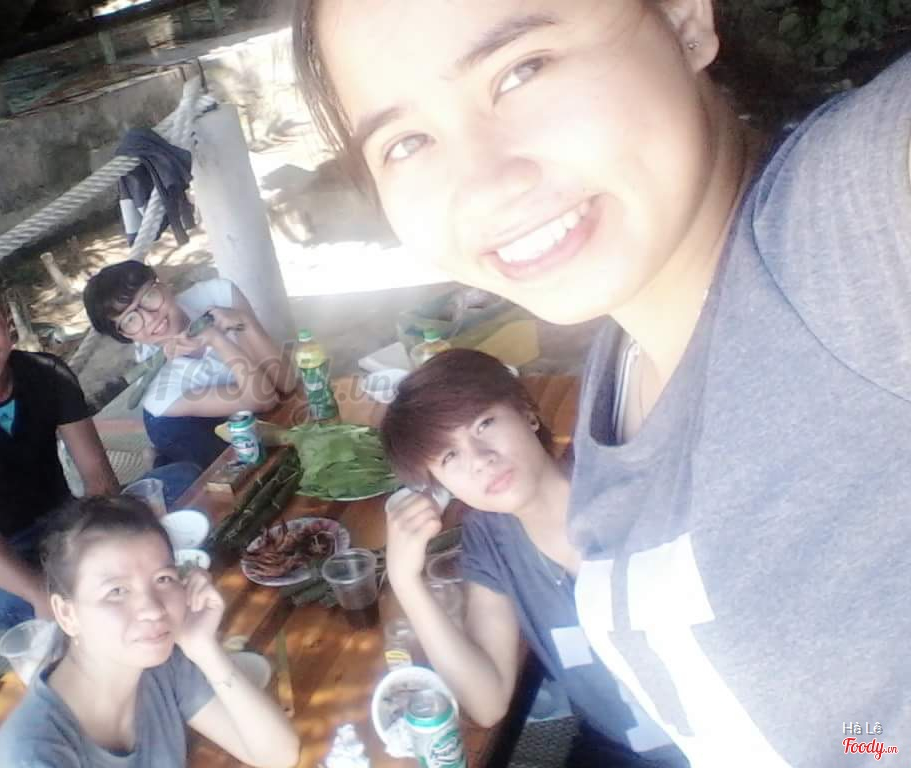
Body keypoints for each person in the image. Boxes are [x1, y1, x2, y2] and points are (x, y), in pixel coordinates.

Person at [293, 2, 910, 765]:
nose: (483, 187)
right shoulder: (619, 368)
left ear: (683, 18)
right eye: (406, 141)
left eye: (522, 69)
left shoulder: (845, 229)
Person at [382, 350, 686, 767]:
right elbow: (487, 701)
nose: (480, 460)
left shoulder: (620, 481)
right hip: (621, 750)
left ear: (526, 412)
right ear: (439, 486)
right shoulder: (491, 539)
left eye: (484, 424)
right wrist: (405, 581)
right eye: (450, 457)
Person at [0, 270, 199, 629]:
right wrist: (38, 592)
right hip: (7, 551)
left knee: (184, 478)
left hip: (70, 523)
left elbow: (97, 476)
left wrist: (103, 545)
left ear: (6, 320)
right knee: (8, 598)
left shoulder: (47, 374)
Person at [0, 495, 300, 768]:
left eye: (163, 579)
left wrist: (203, 648)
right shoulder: (33, 757)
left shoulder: (161, 666)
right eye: (117, 591)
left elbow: (277, 755)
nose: (153, 609)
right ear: (67, 614)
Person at [83, 261, 296, 468]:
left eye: (148, 297)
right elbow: (264, 399)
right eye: (130, 320)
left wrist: (244, 322)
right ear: (125, 336)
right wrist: (216, 339)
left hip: (243, 393)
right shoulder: (157, 391)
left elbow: (286, 384)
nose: (150, 318)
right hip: (182, 422)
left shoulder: (219, 294)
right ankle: (160, 461)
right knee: (229, 462)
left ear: (163, 285)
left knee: (272, 419)